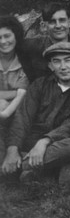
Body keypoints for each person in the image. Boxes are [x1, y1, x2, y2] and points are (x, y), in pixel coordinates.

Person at [0, 42, 70, 182]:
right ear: (50, 66)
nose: (63, 67)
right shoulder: (39, 85)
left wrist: (44, 142)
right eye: (57, 61)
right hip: (27, 140)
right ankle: (26, 166)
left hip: (53, 144)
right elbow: (23, 118)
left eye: (68, 60)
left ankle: (17, 168)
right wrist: (12, 149)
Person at [23, 2, 70, 82]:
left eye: (62, 20)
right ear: (43, 26)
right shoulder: (34, 46)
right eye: (52, 22)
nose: (58, 26)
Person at [0, 16, 29, 171]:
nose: (3, 41)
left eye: (7, 36)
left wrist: (4, 108)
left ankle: (13, 154)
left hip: (17, 113)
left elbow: (21, 96)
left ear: (16, 35)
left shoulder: (24, 61)